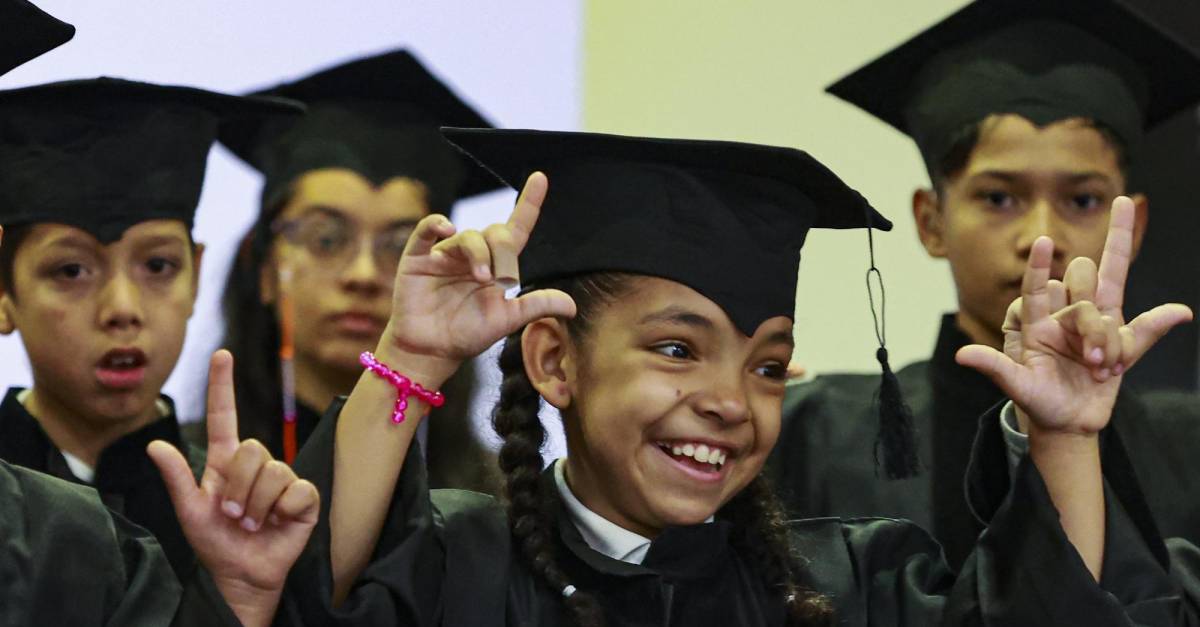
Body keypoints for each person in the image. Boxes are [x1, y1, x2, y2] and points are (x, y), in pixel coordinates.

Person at [277, 128, 1199, 626]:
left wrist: (1066, 434)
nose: (729, 400)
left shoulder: (854, 581)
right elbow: (313, 588)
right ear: (554, 359)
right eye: (677, 348)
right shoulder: (457, 564)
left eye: (765, 362)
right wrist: (410, 359)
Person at [768, 0, 1200, 569]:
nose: (1040, 237)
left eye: (1083, 200)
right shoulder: (808, 432)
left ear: (1133, 225)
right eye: (998, 197)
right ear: (931, 221)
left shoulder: (1190, 447)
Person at [0, 5, 320, 625]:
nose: (122, 310)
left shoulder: (250, 508)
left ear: (197, 273)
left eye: (159, 267)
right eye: (71, 271)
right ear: (3, 291)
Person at [215, 50, 502, 492]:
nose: (363, 275)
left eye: (402, 245)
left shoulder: (495, 506)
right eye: (326, 239)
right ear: (265, 266)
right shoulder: (188, 483)